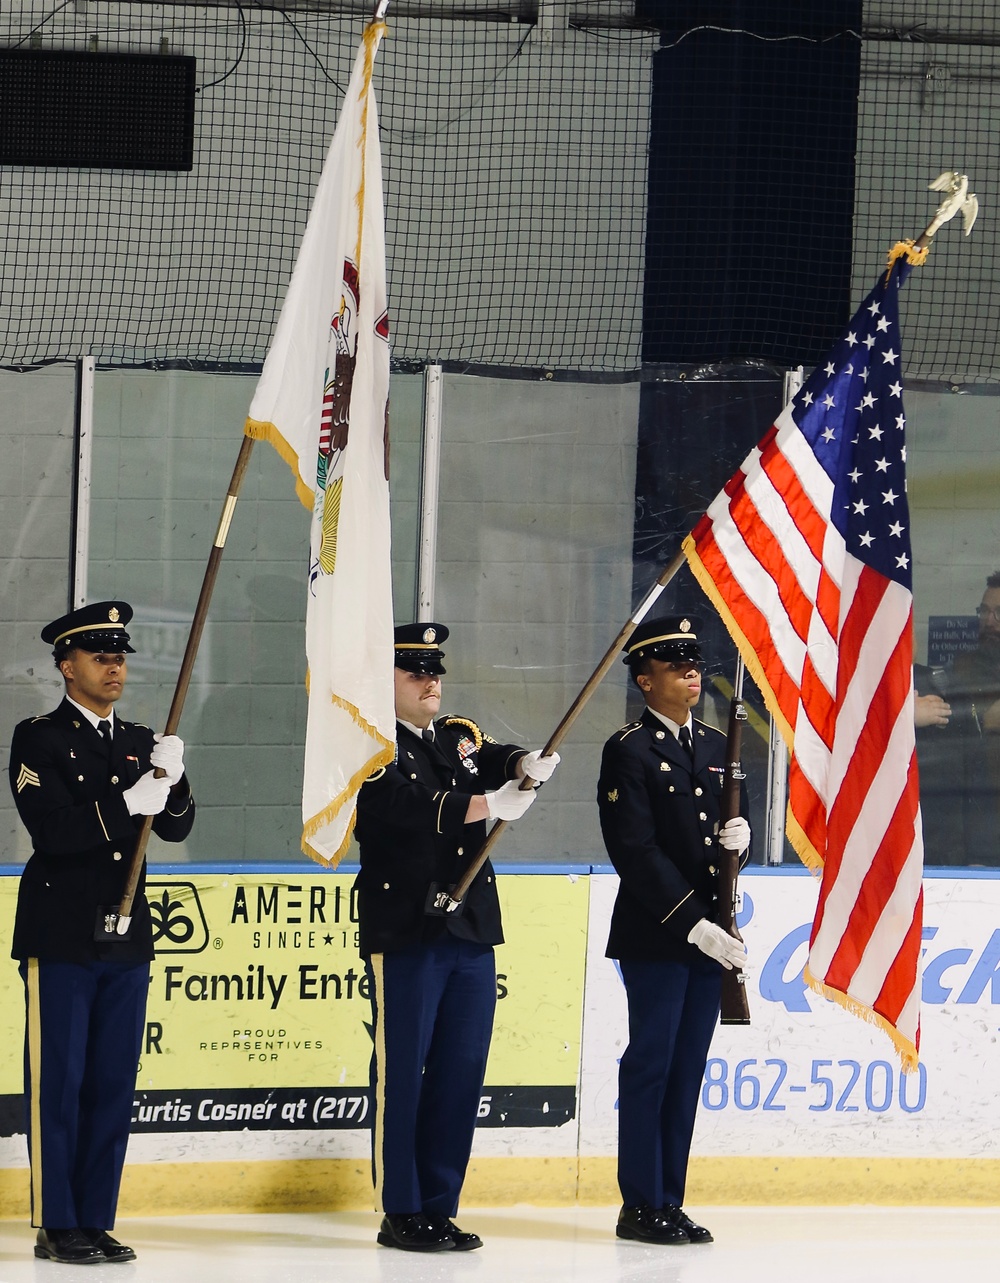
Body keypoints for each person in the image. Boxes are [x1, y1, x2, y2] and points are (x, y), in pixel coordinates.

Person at [354, 622, 558, 1253]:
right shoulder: (366, 745)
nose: (430, 680)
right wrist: (487, 804)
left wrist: (523, 764)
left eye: (434, 669)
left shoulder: (454, 734)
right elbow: (401, 809)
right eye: (414, 671)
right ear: (381, 680)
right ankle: (403, 1210)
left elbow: (490, 756)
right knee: (404, 1076)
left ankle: (440, 1204)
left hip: (468, 927)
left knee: (460, 1071)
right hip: (410, 926)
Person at [8, 601, 195, 1265]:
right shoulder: (38, 739)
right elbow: (53, 832)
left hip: (125, 936)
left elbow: (176, 826)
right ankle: (58, 1223)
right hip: (60, 933)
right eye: (99, 655)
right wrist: (128, 800)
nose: (114, 665)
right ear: (67, 665)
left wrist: (173, 778)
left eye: (120, 655)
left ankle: (95, 1216)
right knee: (59, 1081)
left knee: (113, 1081)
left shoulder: (140, 738)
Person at [597, 615, 750, 1246]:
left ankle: (670, 1198)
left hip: (711, 933)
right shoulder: (628, 749)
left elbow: (725, 828)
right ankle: (640, 1203)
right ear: (644, 678)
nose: (692, 671)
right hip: (659, 935)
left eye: (694, 661)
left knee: (687, 1067)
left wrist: (743, 843)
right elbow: (634, 851)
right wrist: (693, 924)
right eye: (674, 662)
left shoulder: (718, 745)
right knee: (652, 1063)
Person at [915, 572, 1000, 865]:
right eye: (984, 611)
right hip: (974, 827)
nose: (989, 621)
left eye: (998, 613)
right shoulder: (962, 670)